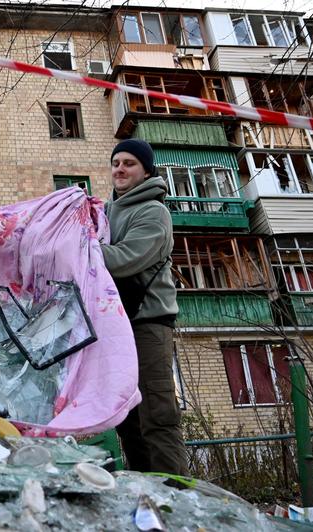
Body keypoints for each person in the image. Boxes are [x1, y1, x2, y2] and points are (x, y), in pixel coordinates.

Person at [101, 139, 188, 476]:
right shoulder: (107, 211)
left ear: (147, 170)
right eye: (116, 163)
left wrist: (78, 247)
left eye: (129, 163)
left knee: (157, 414)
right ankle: (145, 497)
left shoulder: (154, 211)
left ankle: (176, 500)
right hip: (116, 323)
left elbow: (124, 260)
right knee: (127, 419)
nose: (120, 169)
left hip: (149, 322)